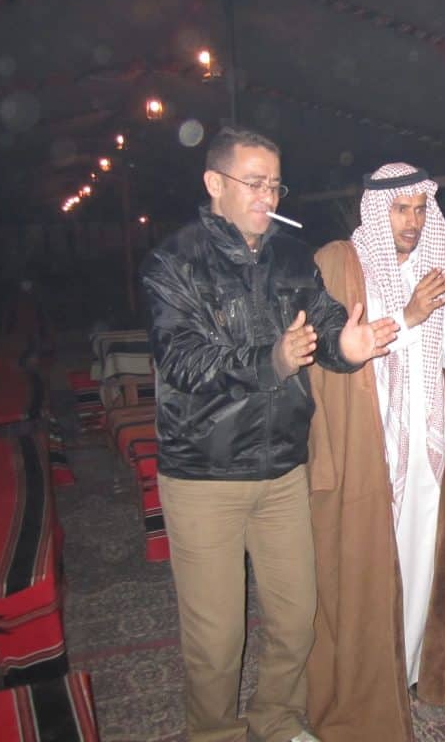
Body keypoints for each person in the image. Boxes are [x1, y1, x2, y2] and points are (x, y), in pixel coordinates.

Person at [141, 126, 397, 742]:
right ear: (214, 184)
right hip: (205, 475)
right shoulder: (173, 262)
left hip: (282, 469)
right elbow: (183, 360)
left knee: (296, 618)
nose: (267, 195)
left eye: (275, 183)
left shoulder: (289, 256)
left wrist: (347, 345)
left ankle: (276, 721)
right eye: (253, 182)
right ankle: (215, 733)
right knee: (217, 636)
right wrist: (272, 362)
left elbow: (328, 324)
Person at [305, 163, 445, 740]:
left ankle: (408, 671)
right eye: (399, 209)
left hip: (425, 452)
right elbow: (345, 361)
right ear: (375, 209)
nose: (411, 222)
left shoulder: (434, 272)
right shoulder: (344, 266)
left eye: (419, 210)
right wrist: (409, 317)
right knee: (367, 573)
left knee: (418, 569)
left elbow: (443, 364)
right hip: (373, 455)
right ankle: (361, 685)